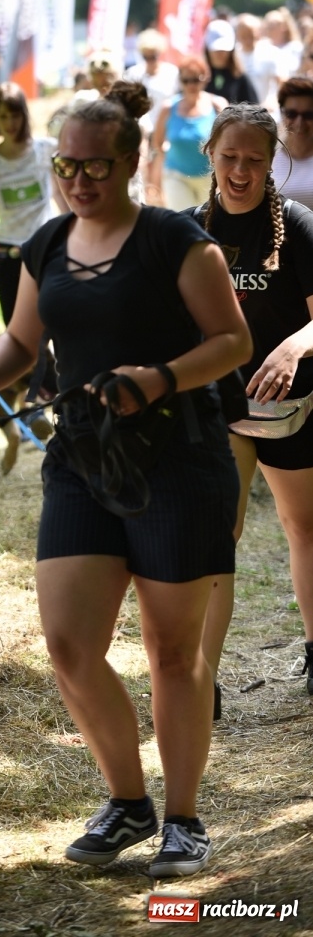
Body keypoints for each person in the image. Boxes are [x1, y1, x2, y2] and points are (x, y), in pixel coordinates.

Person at [0, 82, 251, 878]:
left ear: (129, 163)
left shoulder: (178, 241)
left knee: (173, 654)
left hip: (177, 457)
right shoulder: (46, 244)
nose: (77, 180)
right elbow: (21, 339)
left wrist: (159, 378)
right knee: (70, 647)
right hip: (81, 460)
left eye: (94, 167)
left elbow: (231, 340)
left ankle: (181, 816)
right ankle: (126, 801)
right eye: (66, 164)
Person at [194, 103, 313, 701]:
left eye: (254, 160)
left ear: (273, 163)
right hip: (224, 408)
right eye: (230, 156)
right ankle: (201, 678)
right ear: (209, 154)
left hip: (298, 405)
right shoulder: (189, 230)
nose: (240, 170)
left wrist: (292, 348)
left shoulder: (297, 226)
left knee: (303, 525)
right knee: (220, 533)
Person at [0, 82, 59, 325]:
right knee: (14, 324)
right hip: (9, 251)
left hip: (47, 245)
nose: (10, 123)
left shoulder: (47, 150)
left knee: (53, 322)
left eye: (15, 115)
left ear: (25, 115)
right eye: (3, 116)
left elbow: (61, 196)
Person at [148, 54, 226, 209]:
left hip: (208, 178)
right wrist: (155, 178)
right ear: (180, 81)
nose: (191, 85)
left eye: (196, 80)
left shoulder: (217, 106)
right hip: (176, 175)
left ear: (205, 78)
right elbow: (157, 143)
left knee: (205, 223)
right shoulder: (168, 108)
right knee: (182, 219)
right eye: (186, 80)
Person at [272, 77, 313, 210]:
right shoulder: (268, 155)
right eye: (291, 114)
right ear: (282, 113)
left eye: (308, 115)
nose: (299, 123)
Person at [203, 19, 259, 105]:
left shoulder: (240, 77)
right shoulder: (199, 77)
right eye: (216, 50)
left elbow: (254, 110)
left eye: (224, 50)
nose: (220, 54)